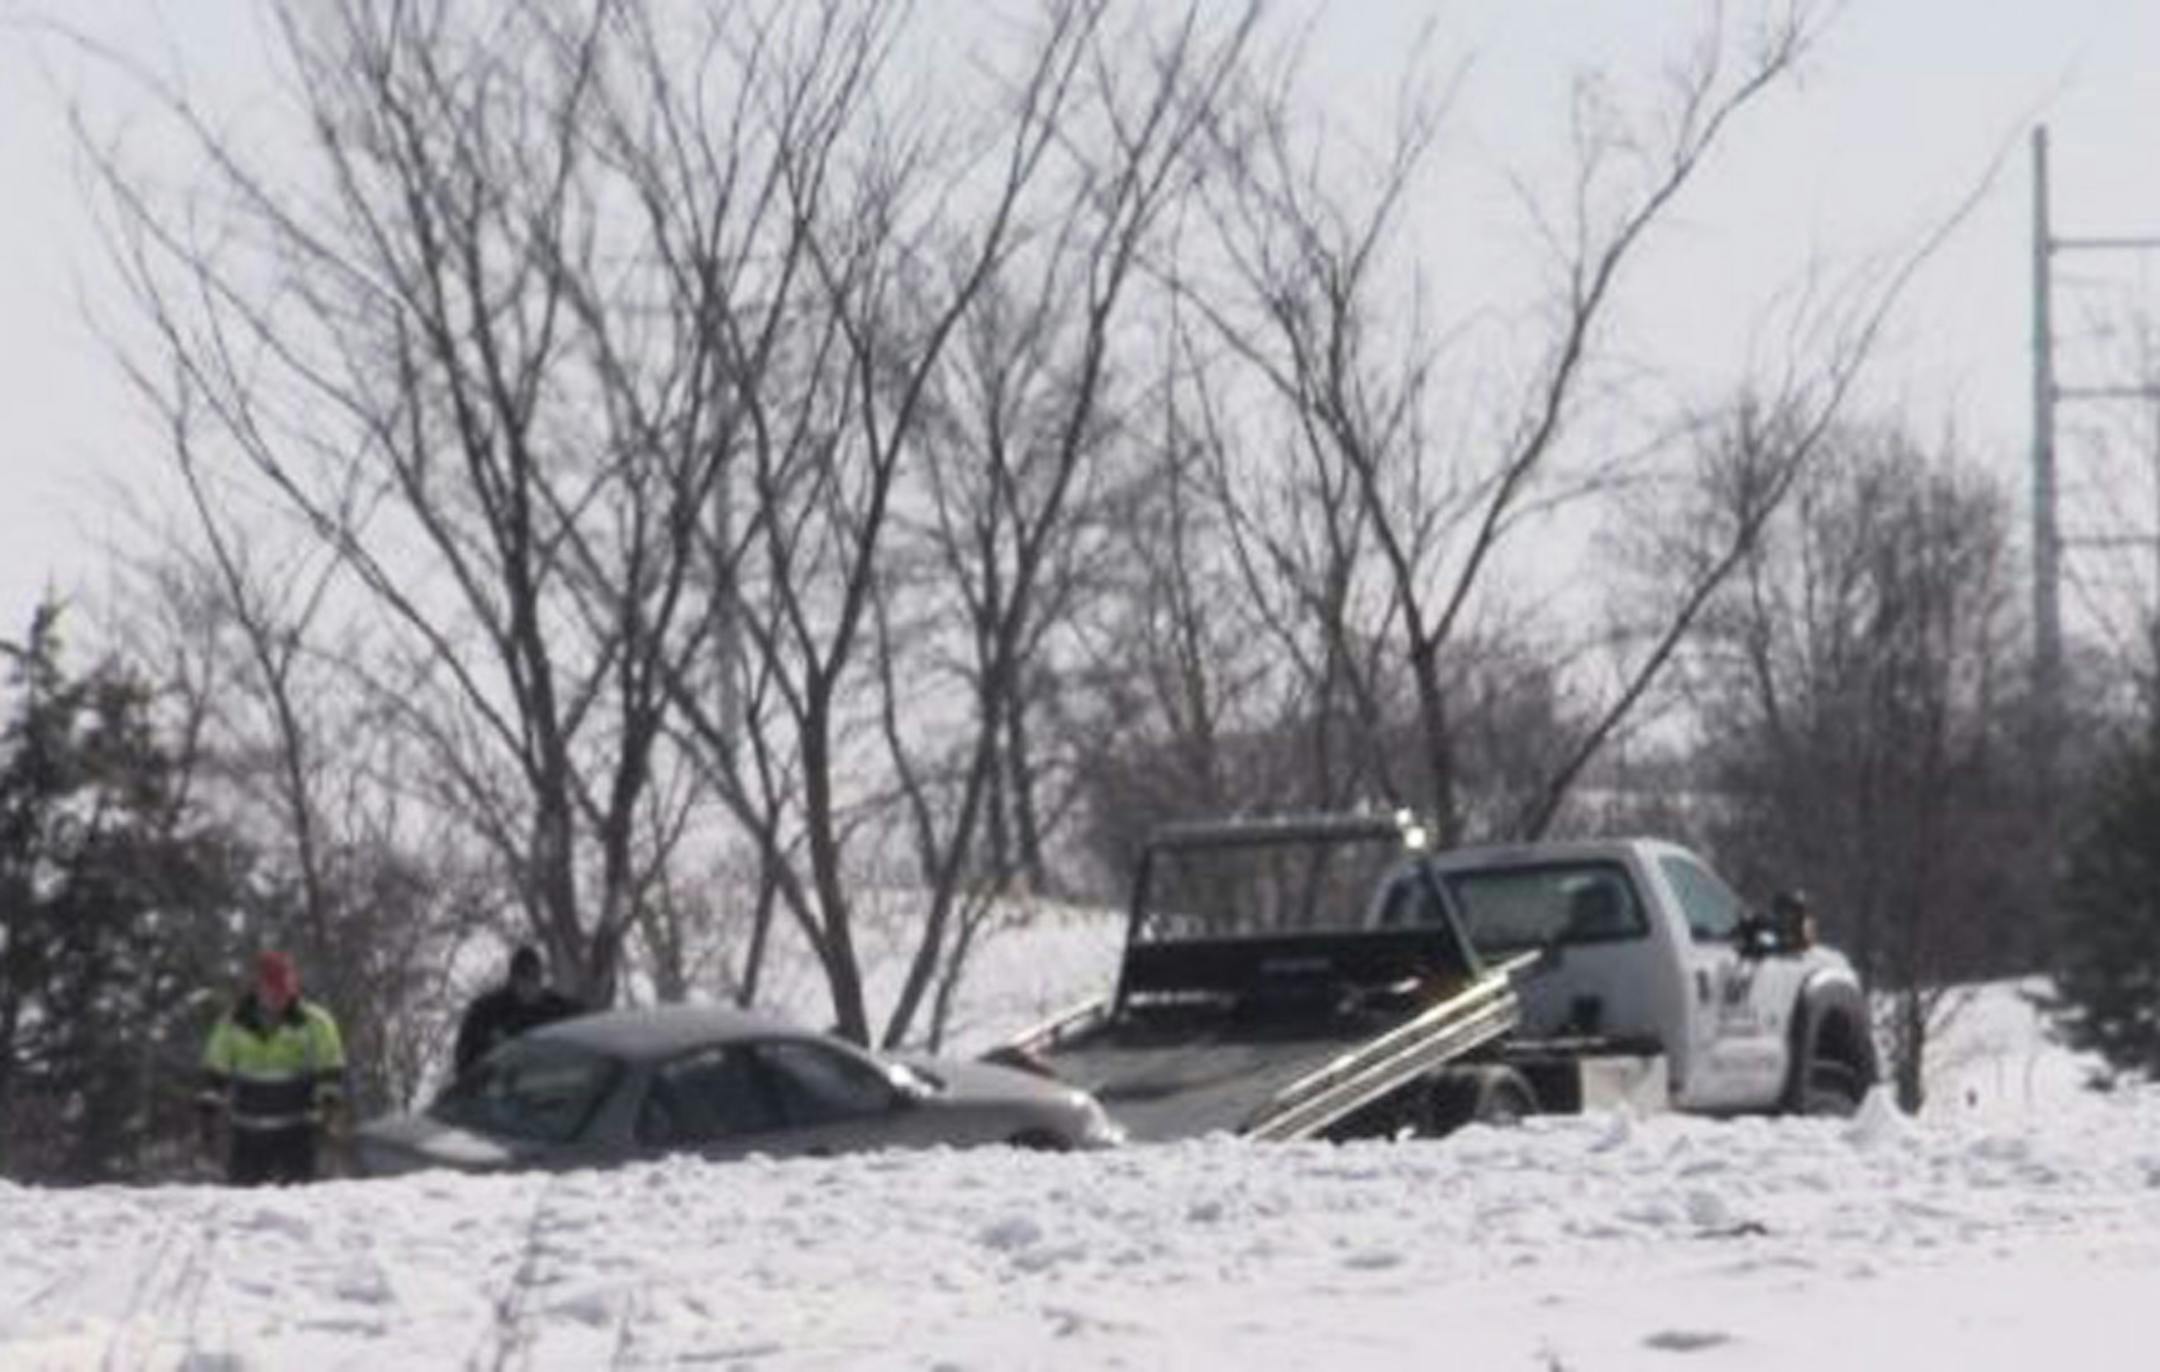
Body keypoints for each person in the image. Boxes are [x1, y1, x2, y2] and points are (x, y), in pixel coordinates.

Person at [197, 950, 347, 1186]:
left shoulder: (315, 1023)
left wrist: (329, 1113)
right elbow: (215, 1073)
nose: (278, 997)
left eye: (284, 990)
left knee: (300, 1204)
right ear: (257, 988)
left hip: (298, 1132)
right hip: (248, 1132)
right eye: (271, 990)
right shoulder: (232, 1024)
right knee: (242, 1206)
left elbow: (331, 1069)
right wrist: (208, 1118)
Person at [452, 945, 584, 1078]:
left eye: (534, 979)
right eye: (523, 978)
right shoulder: (486, 1012)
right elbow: (465, 1061)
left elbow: (585, 1023)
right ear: (512, 980)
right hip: (499, 1084)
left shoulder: (555, 1009)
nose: (528, 986)